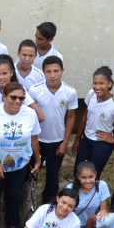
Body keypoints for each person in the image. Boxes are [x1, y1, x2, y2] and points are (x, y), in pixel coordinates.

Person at [0, 81, 42, 228]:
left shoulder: (30, 114)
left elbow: (34, 138)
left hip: (20, 164)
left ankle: (12, 221)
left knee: (14, 195)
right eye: (13, 97)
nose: (17, 101)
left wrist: (38, 159)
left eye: (21, 98)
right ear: (3, 97)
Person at [27, 56, 78, 205]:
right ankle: (28, 200)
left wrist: (65, 142)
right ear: (43, 72)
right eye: (48, 71)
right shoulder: (35, 90)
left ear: (62, 71)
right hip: (37, 139)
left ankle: (48, 202)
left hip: (57, 140)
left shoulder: (70, 92)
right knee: (32, 172)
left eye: (56, 71)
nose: (52, 74)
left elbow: (71, 117)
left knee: (53, 174)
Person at [73, 66, 114, 176]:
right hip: (86, 140)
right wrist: (78, 139)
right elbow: (85, 116)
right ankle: (76, 193)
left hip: (102, 144)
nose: (97, 87)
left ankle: (94, 192)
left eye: (101, 83)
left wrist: (113, 140)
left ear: (109, 84)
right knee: (78, 173)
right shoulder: (91, 94)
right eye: (95, 83)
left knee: (94, 175)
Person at [66, 161, 110, 228]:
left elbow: (103, 211)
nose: (88, 181)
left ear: (96, 174)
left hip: (91, 227)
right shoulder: (70, 188)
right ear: (78, 177)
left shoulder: (101, 186)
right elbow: (66, 214)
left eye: (91, 177)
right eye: (83, 177)